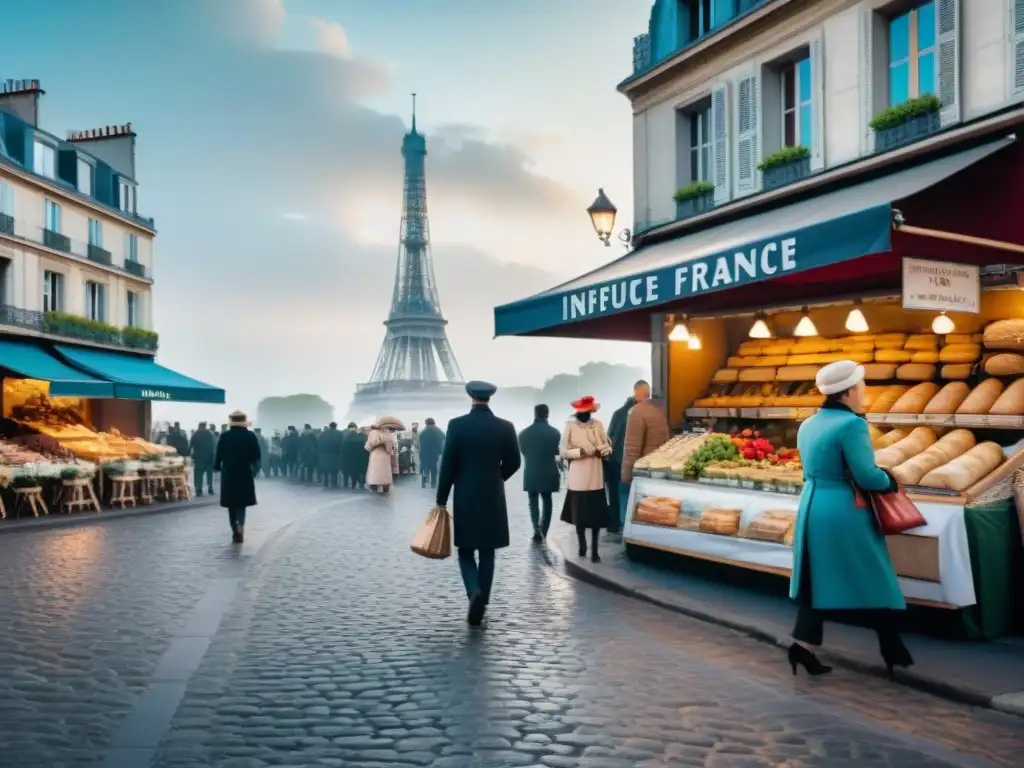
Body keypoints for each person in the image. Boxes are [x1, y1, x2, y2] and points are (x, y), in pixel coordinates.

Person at [788, 360, 914, 678]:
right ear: (847, 393)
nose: (865, 391)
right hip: (845, 509)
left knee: (815, 580)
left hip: (812, 506)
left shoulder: (809, 424)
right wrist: (891, 480)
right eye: (861, 386)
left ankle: (803, 648)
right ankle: (892, 648)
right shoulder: (852, 425)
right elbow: (867, 476)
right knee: (872, 573)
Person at [436, 381, 520, 626]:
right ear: (489, 399)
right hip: (492, 495)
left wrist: (441, 498)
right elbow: (514, 462)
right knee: (488, 550)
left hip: (466, 494)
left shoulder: (457, 425)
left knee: (465, 549)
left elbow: (448, 465)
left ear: (471, 398)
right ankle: (482, 601)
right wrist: (497, 477)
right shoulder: (505, 427)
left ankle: (473, 590)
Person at [559, 396, 612, 562]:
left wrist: (602, 451)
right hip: (578, 475)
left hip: (595, 475)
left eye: (588, 412)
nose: (585, 415)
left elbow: (608, 446)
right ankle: (582, 544)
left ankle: (595, 550)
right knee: (579, 515)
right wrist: (578, 453)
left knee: (596, 515)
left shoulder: (598, 425)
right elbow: (562, 451)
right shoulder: (570, 426)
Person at [620, 381, 670, 526]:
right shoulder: (658, 411)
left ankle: (629, 538)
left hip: (642, 470)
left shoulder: (636, 411)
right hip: (657, 468)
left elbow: (632, 448)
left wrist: (626, 476)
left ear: (638, 393)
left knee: (633, 510)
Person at [607, 380, 649, 533]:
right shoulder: (631, 414)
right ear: (635, 392)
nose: (647, 397)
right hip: (622, 461)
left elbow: (610, 437)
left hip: (619, 460)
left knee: (617, 493)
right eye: (645, 394)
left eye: (648, 394)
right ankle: (623, 525)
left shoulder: (620, 413)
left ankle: (616, 524)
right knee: (623, 493)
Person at [214, 411, 262, 544]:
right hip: (245, 472)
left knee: (231, 503)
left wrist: (217, 466)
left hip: (229, 472)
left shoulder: (225, 436)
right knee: (242, 503)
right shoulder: (250, 436)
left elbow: (218, 454)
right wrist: (255, 470)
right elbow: (256, 455)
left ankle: (234, 527)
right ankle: (240, 523)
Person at [518, 404, 561, 542]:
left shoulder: (523, 434)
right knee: (547, 500)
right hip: (549, 470)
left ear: (535, 413)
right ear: (547, 414)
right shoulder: (555, 433)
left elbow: (523, 451)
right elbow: (556, 451)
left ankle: (536, 528)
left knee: (533, 500)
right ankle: (544, 530)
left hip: (531, 470)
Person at [365, 421, 396, 493]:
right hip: (385, 456)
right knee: (385, 474)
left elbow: (369, 445)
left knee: (375, 473)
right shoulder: (387, 433)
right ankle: (385, 488)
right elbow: (391, 447)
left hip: (375, 455)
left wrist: (368, 447)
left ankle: (375, 488)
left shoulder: (373, 432)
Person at [418, 417, 445, 489]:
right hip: (434, 452)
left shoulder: (423, 432)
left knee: (425, 466)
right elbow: (443, 437)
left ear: (426, 423)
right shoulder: (438, 430)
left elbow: (419, 441)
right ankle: (433, 484)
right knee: (433, 468)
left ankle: (425, 480)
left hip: (424, 452)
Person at [189, 421, 215, 496]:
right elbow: (213, 445)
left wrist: (190, 455)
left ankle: (198, 489)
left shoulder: (195, 434)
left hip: (199, 457)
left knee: (198, 474)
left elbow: (191, 445)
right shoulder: (210, 434)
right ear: (205, 426)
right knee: (209, 473)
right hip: (209, 457)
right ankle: (210, 487)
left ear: (199, 426)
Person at [318, 422, 346, 488]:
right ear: (336, 426)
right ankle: (334, 484)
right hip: (335, 455)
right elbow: (342, 444)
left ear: (329, 426)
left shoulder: (323, 434)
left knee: (326, 471)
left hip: (325, 455)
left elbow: (319, 443)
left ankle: (326, 483)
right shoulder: (339, 434)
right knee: (334, 471)